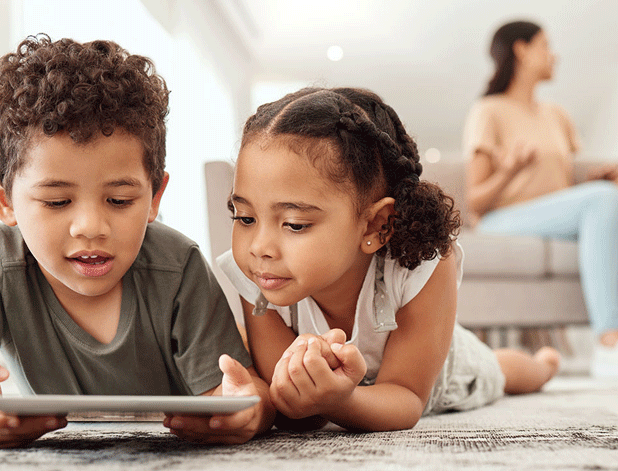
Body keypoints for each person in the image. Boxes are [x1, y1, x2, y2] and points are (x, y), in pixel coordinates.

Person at [0, 35, 274, 448]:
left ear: (154, 197)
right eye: (57, 201)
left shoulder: (178, 265)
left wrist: (244, 410)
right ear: (4, 201)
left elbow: (246, 395)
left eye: (119, 200)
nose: (91, 226)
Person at [216, 87, 560, 432]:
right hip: (361, 387)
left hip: (444, 373)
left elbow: (406, 398)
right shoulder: (258, 274)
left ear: (376, 224)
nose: (259, 247)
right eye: (244, 217)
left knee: (499, 370)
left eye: (295, 224)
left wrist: (341, 400)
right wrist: (302, 386)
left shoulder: (424, 263)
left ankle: (543, 365)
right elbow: (294, 408)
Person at [462, 20, 618, 378]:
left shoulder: (557, 115)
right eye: (546, 45)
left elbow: (565, 182)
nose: (554, 55)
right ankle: (610, 344)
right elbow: (476, 201)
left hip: (556, 216)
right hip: (503, 219)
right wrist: (511, 170)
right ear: (521, 49)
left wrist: (597, 181)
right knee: (602, 201)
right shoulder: (489, 110)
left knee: (605, 199)